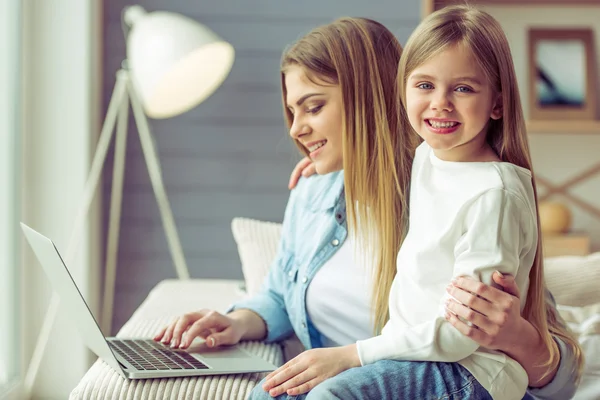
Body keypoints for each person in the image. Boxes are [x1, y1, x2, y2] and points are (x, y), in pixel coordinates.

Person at [154, 15, 581, 400]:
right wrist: (237, 322)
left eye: (313, 107)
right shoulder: (315, 191)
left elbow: (549, 353)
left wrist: (519, 337)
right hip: (365, 374)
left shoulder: (457, 183)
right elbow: (282, 294)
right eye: (291, 111)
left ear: (366, 101)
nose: (296, 129)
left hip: (440, 373)